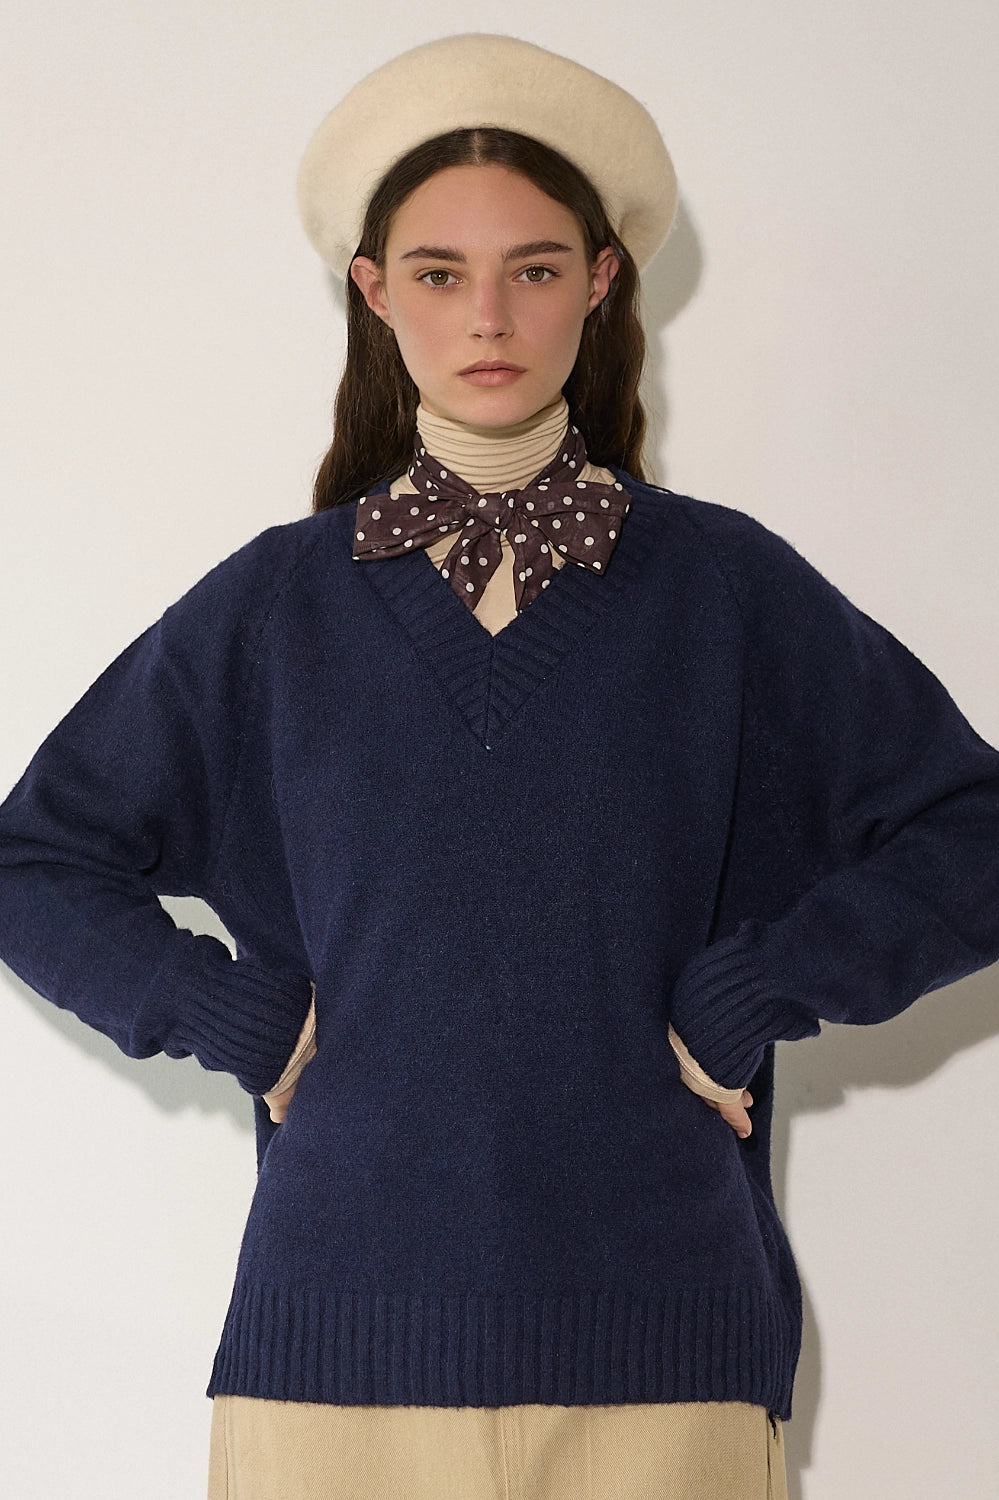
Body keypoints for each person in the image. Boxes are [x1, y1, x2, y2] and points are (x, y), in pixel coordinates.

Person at [1, 32, 997, 1500]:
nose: (487, 316)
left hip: (665, 1361)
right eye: (439, 272)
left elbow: (973, 833)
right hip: (331, 1363)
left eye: (534, 269)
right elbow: (34, 861)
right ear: (373, 291)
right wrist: (236, 1018)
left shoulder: (720, 592)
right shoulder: (278, 607)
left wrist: (755, 993)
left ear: (602, 281)